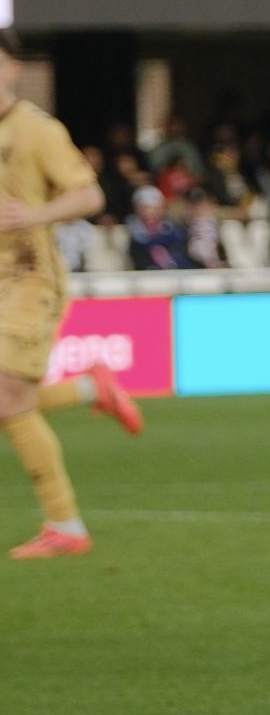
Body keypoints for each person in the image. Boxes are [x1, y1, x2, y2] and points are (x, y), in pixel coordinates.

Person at [0, 32, 143, 559]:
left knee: (4, 397)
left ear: (13, 69)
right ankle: (90, 389)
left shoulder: (37, 131)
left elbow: (90, 194)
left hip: (31, 282)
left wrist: (33, 215)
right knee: (7, 400)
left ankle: (66, 524)